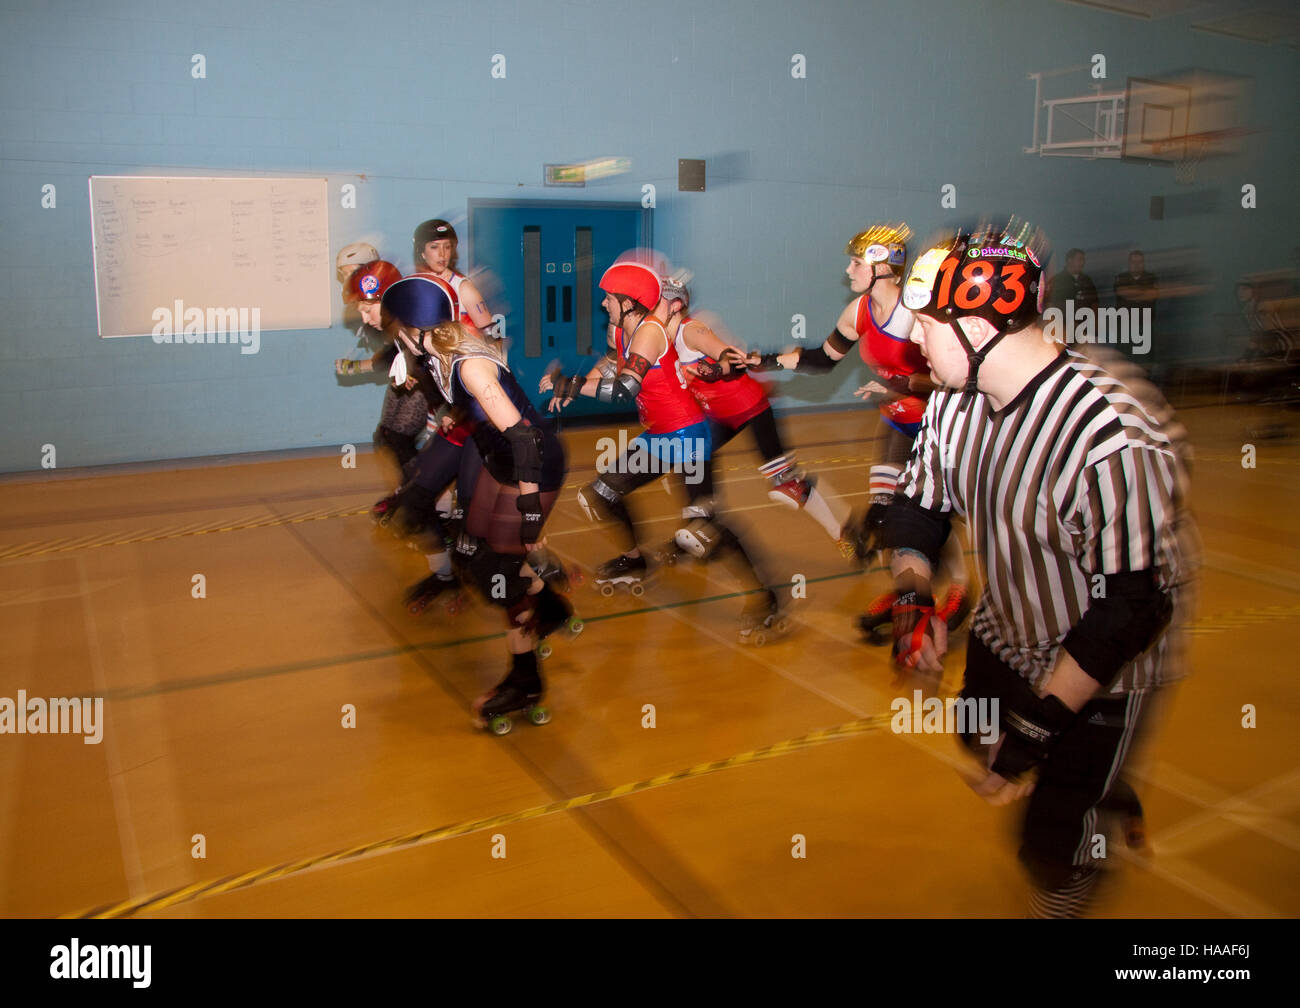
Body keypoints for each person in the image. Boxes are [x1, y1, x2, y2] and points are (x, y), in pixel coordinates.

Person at [884, 222, 1188, 917]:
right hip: (1011, 624)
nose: (913, 342)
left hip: (1106, 665)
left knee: (1048, 849)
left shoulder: (1109, 435)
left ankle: (1083, 841)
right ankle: (1084, 780)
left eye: (926, 323)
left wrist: (1034, 734)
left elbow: (1129, 611)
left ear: (978, 322)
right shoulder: (956, 402)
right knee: (978, 732)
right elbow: (918, 507)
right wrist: (914, 598)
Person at [746, 224, 969, 640]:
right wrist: (764, 360)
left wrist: (901, 386)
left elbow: (955, 379)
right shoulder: (859, 311)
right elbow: (822, 359)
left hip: (937, 423)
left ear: (882, 267)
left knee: (926, 507)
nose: (848, 271)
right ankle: (906, 587)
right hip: (897, 420)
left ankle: (958, 586)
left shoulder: (917, 311)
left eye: (856, 263)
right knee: (884, 515)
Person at [544, 258, 785, 640]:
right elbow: (611, 364)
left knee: (702, 531)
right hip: (658, 436)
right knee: (600, 495)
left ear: (629, 301)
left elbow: (624, 388)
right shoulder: (621, 329)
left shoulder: (652, 333)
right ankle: (635, 561)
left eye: (609, 298)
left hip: (687, 438)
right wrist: (576, 386)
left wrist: (572, 386)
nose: (604, 303)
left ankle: (768, 596)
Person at [383, 275, 572, 732]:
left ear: (413, 329)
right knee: (473, 557)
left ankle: (526, 680)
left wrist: (530, 514)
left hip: (531, 463)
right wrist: (415, 375)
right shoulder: (439, 349)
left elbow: (524, 439)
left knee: (498, 574)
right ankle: (550, 606)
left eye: (397, 333)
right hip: (497, 458)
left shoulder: (467, 365)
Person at [657, 273, 852, 554]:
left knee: (787, 486)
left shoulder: (692, 330)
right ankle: (699, 527)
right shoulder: (662, 338)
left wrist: (718, 369)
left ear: (674, 305)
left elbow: (733, 357)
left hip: (750, 407)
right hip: (718, 414)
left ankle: (843, 531)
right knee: (691, 457)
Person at [412, 219, 498, 336]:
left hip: (463, 353)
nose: (442, 254)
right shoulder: (414, 287)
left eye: (447, 247)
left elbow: (492, 334)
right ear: (422, 252)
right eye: (434, 247)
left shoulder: (463, 288)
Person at [1046, 247, 1098, 315]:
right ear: (1069, 260)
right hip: (1063, 323)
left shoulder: (1087, 280)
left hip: (1086, 323)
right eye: (1080, 260)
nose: (1082, 263)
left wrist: (1094, 321)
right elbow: (1050, 304)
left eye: (1083, 260)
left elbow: (1095, 302)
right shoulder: (1057, 280)